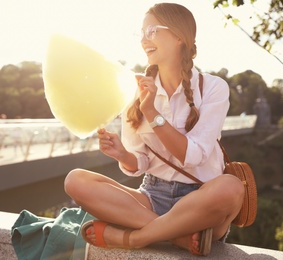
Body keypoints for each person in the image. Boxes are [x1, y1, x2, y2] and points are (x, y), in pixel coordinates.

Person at [64, 2, 244, 256]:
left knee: (231, 187)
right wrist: (122, 155)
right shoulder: (135, 88)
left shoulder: (214, 88)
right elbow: (140, 163)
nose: (143, 40)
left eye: (152, 31)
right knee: (76, 180)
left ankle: (136, 238)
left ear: (180, 36)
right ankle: (179, 236)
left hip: (201, 201)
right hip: (151, 198)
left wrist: (152, 112)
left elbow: (193, 156)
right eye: (141, 33)